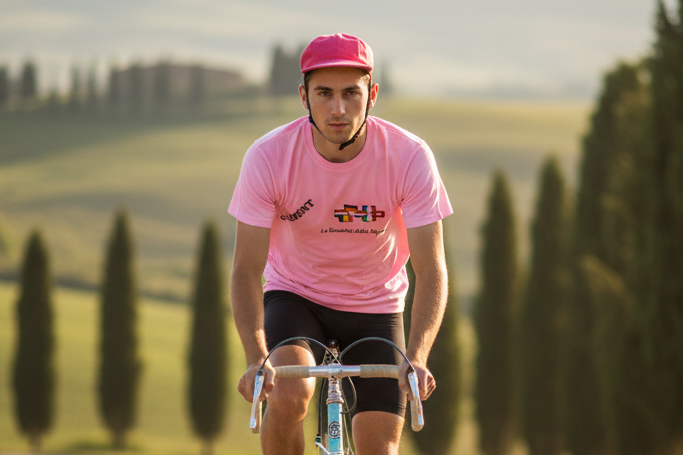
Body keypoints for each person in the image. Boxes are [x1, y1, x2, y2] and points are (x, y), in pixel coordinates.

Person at [229, 33, 452, 455]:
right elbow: (245, 269)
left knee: (379, 448)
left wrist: (417, 356)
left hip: (376, 306)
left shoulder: (409, 156)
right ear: (303, 97)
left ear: (373, 95)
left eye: (351, 93)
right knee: (289, 394)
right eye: (324, 94)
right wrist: (257, 357)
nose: (338, 109)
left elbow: (431, 268)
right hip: (296, 296)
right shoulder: (268, 157)